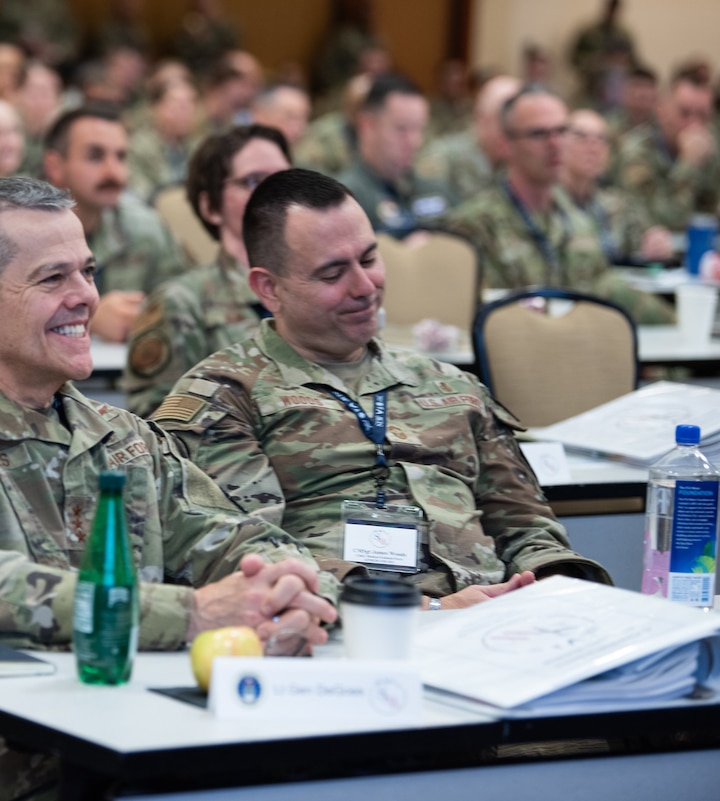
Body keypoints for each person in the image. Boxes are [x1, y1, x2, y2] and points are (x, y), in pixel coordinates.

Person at [0, 175, 338, 801]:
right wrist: (194, 615)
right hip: (27, 765)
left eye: (87, 272)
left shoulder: (123, 437)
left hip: (160, 732)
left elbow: (239, 539)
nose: (87, 298)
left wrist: (294, 588)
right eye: (52, 279)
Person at [154, 167, 611, 605]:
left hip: (494, 617)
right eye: (333, 274)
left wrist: (549, 587)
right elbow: (248, 557)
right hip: (345, 628)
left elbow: (529, 529)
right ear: (269, 288)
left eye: (370, 259)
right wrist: (424, 610)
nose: (364, 286)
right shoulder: (223, 397)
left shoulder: (452, 387)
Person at [443, 85, 674, 323]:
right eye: (539, 134)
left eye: (562, 131)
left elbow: (606, 293)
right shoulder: (474, 226)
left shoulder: (578, 222)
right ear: (506, 144)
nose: (555, 144)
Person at [124, 124, 290, 417]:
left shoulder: (317, 289)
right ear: (211, 206)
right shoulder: (180, 303)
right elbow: (156, 428)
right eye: (254, 181)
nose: (276, 195)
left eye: (285, 180)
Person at [43, 105, 188, 342]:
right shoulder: (20, 234)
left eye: (120, 156)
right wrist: (89, 317)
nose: (113, 172)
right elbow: (0, 322)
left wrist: (146, 319)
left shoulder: (146, 228)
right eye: (95, 156)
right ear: (55, 166)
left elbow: (182, 307)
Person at [337, 73, 452, 237]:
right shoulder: (346, 199)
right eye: (401, 129)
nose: (414, 142)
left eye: (419, 129)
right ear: (367, 125)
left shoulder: (437, 190)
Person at [561, 108, 671, 265]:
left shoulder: (615, 204)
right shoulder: (547, 203)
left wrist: (654, 243)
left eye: (601, 139)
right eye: (581, 136)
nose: (593, 147)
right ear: (560, 143)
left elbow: (644, 238)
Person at [614, 67, 720, 230]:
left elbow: (709, 217)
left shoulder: (711, 149)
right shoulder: (636, 152)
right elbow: (663, 221)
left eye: (703, 116)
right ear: (661, 109)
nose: (695, 124)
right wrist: (688, 164)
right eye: (684, 113)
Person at [415, 74, 521, 205]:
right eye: (503, 121)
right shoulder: (442, 157)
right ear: (481, 118)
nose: (511, 132)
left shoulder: (521, 161)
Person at [125, 78, 200, 200]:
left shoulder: (199, 148)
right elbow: (140, 193)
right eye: (179, 106)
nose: (186, 113)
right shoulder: (138, 148)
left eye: (191, 105)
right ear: (156, 109)